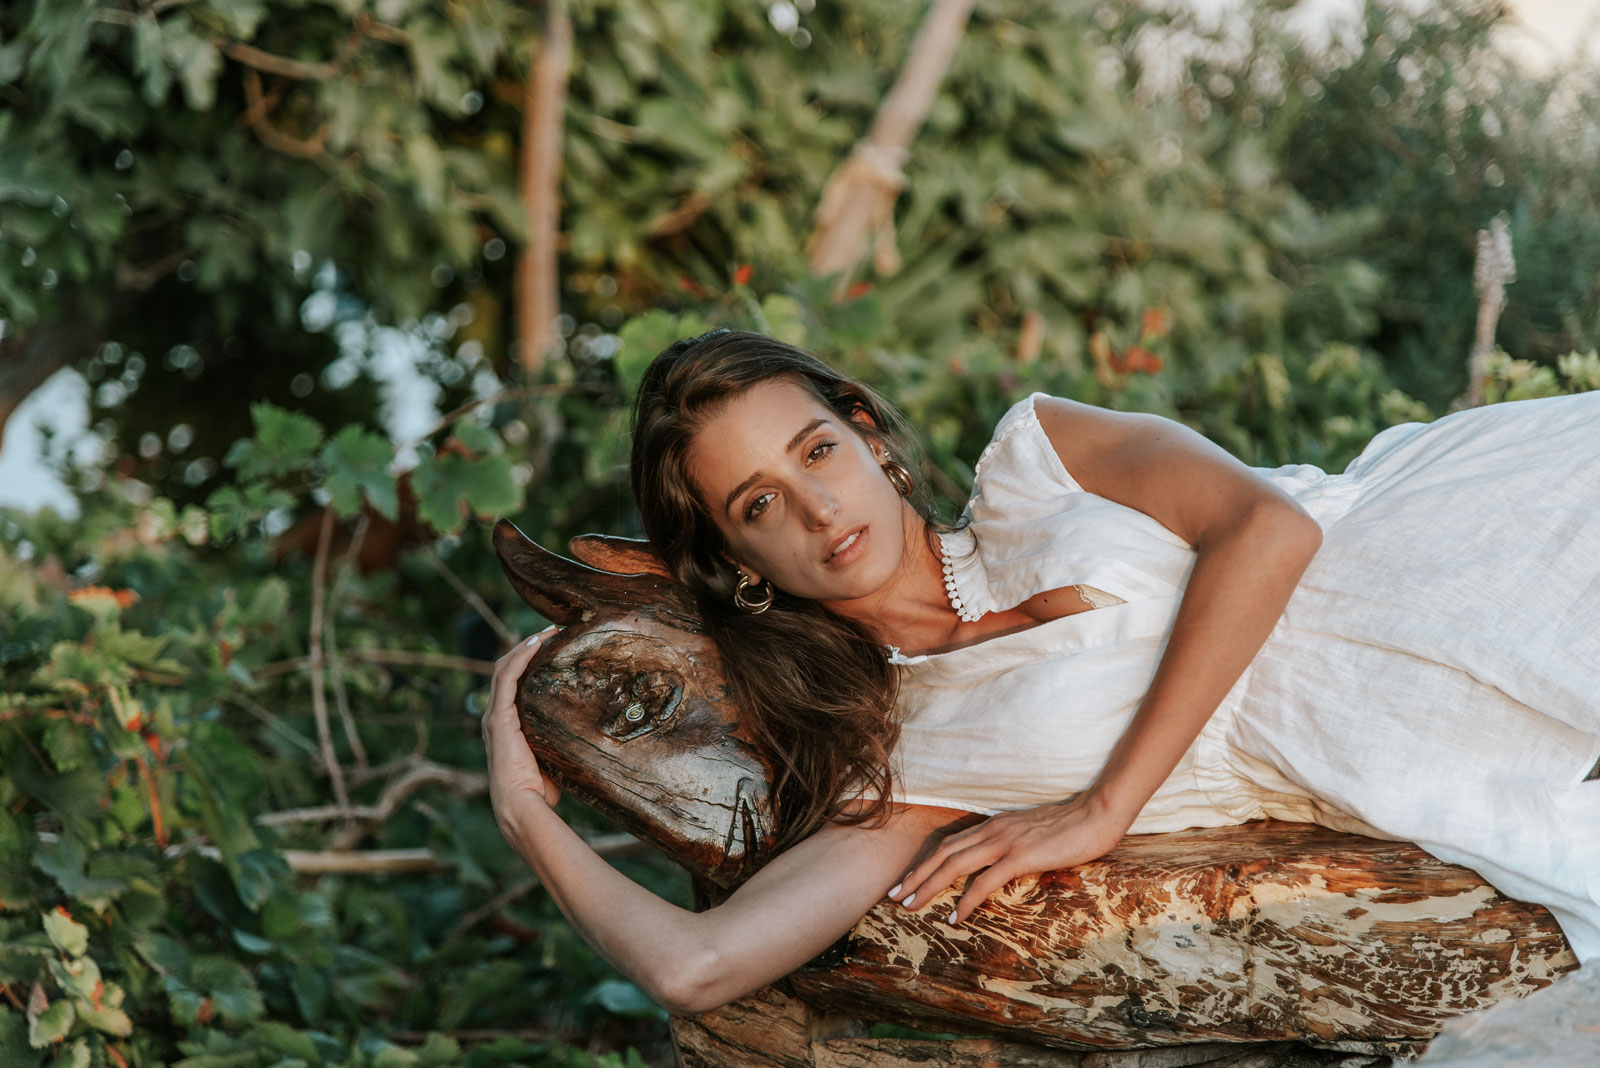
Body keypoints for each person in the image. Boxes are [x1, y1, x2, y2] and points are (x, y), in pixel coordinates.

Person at [481, 328, 1600, 1015]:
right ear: (736, 562)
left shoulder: (1041, 455)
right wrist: (527, 814)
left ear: (868, 435)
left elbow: (1269, 532)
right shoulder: (909, 766)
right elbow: (699, 968)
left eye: (816, 448)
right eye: (758, 505)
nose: (818, 506)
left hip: (1476, 535)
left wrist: (1102, 807)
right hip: (1421, 734)